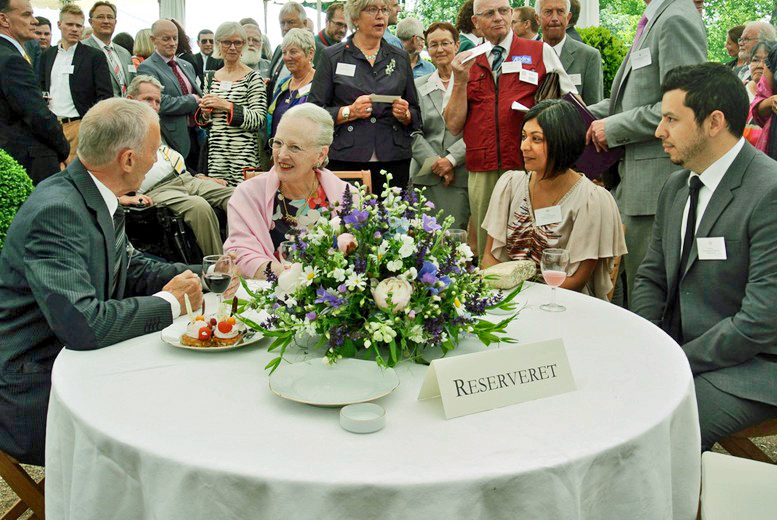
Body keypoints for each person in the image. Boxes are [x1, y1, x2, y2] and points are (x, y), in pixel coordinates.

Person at [0, 97, 203, 466]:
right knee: (177, 419)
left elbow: (129, 266)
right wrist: (171, 303)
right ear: (127, 160)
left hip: (80, 365)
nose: (158, 160)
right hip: (38, 394)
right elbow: (84, 324)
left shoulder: (89, 194)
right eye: (154, 151)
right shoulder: (58, 211)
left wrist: (200, 278)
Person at [632, 62, 777, 451]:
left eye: (671, 119)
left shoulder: (769, 192)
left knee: (653, 433)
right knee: (610, 400)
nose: (658, 131)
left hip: (754, 366)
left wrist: (676, 359)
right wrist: (652, 344)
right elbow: (651, 276)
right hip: (683, 351)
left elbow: (759, 323)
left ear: (714, 122)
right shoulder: (677, 185)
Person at [586, 0, 707, 306]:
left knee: (648, 293)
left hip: (656, 186)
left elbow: (683, 105)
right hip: (633, 183)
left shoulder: (676, 17)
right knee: (627, 288)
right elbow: (630, 102)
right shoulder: (655, 17)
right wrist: (572, 115)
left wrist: (612, 128)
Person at [444, 0, 577, 260]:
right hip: (483, 170)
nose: (499, 18)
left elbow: (571, 102)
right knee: (489, 247)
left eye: (504, 11)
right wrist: (459, 81)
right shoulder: (466, 62)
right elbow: (453, 124)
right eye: (490, 13)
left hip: (530, 166)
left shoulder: (540, 51)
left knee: (534, 240)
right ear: (475, 22)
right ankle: (491, 299)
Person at [481, 99, 626, 299]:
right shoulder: (509, 186)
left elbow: (576, 280)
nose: (524, 146)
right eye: (523, 136)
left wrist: (528, 299)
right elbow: (489, 258)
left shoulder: (592, 200)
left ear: (562, 142)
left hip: (563, 305)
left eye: (536, 139)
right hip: (506, 300)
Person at [224, 103, 351, 278]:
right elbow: (241, 254)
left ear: (320, 155)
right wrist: (294, 278)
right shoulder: (247, 194)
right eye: (278, 143)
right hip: (268, 294)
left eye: (295, 147)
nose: (282, 154)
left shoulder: (348, 195)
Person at [309, 0, 421, 191]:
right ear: (354, 18)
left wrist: (406, 114)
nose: (380, 15)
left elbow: (417, 113)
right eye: (372, 10)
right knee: (346, 219)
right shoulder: (332, 57)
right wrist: (349, 112)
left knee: (393, 220)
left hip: (393, 158)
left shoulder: (400, 57)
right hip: (346, 158)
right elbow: (314, 113)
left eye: (384, 10)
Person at [125, 75, 234, 256]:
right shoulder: (120, 130)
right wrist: (122, 198)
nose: (154, 106)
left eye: (157, 101)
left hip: (185, 177)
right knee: (199, 207)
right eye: (147, 100)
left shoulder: (157, 125)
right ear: (130, 100)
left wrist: (200, 176)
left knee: (237, 196)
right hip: (157, 189)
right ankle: (219, 270)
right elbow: (102, 172)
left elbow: (170, 158)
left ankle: (238, 255)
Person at [0, 0, 69, 184]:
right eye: (26, 15)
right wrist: (64, 149)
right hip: (26, 161)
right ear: (4, 19)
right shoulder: (11, 60)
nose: (34, 21)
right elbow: (37, 115)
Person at [411, 22, 469, 230]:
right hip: (425, 177)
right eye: (433, 44)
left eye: (445, 43)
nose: (440, 49)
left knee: (456, 242)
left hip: (461, 176)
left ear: (457, 45)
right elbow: (412, 130)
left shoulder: (471, 83)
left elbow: (479, 129)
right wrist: (437, 164)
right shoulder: (417, 85)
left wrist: (452, 160)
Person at [41, 3, 112, 164]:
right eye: (69, 24)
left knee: (77, 175)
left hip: (79, 125)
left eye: (78, 26)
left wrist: (92, 125)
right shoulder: (48, 55)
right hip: (51, 126)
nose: (74, 29)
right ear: (59, 25)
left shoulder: (94, 56)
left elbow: (105, 95)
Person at [200, 21, 266, 186]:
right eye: (227, 42)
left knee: (244, 204)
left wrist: (227, 105)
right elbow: (205, 122)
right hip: (216, 157)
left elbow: (258, 119)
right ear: (218, 45)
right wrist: (205, 114)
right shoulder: (210, 77)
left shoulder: (253, 78)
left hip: (243, 157)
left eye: (237, 42)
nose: (232, 47)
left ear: (243, 45)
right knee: (218, 202)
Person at [138, 19, 202, 168]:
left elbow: (198, 93)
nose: (172, 43)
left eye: (175, 38)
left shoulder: (186, 65)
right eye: (166, 39)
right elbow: (161, 102)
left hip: (195, 134)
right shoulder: (146, 68)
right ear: (153, 40)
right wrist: (192, 100)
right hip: (171, 137)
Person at [538, 0, 602, 105]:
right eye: (548, 12)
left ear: (568, 17)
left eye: (560, 11)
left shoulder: (589, 56)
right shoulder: (525, 55)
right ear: (537, 18)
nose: (555, 18)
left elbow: (593, 109)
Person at [267, 2, 326, 98]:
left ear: (305, 23)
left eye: (291, 22)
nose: (286, 27)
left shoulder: (321, 51)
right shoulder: (279, 49)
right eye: (282, 23)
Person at [268, 28, 315, 140]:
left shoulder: (320, 84)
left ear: (310, 53)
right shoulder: (283, 84)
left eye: (293, 52)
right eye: (284, 52)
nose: (287, 57)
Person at [83, 1, 135, 97]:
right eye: (100, 17)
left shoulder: (125, 53)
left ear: (115, 22)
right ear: (90, 22)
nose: (106, 21)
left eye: (110, 17)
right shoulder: (82, 50)